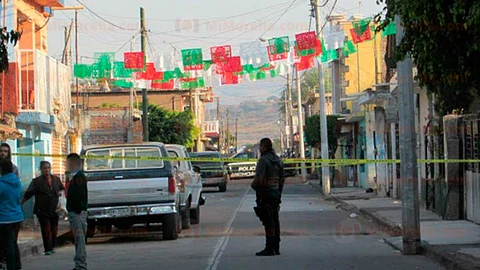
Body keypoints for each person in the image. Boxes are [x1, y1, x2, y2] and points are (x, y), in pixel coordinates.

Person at [21, 161, 65, 255]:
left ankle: (52, 246)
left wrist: (60, 193)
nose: (47, 170)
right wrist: (21, 202)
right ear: (41, 169)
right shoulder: (36, 182)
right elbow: (28, 193)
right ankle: (48, 249)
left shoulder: (56, 179)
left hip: (54, 209)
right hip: (42, 209)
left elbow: (62, 188)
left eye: (48, 168)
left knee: (54, 228)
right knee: (46, 229)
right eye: (44, 168)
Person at [251, 138, 285, 256]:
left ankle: (269, 248)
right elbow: (282, 179)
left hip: (265, 194)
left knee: (268, 222)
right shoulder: (278, 160)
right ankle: (276, 247)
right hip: (275, 193)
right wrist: (279, 193)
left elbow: (258, 180)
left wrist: (254, 186)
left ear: (264, 147)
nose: (260, 149)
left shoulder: (263, 160)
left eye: (260, 146)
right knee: (275, 220)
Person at [0, 143, 21, 270]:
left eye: (5, 151)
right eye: (1, 151)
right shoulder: (15, 181)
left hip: (5, 215)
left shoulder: (12, 171)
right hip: (15, 214)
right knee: (11, 242)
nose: (2, 153)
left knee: (8, 243)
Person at [66, 153, 88, 270]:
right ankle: (79, 264)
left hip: (77, 213)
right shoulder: (75, 176)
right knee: (78, 239)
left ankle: (80, 265)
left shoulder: (79, 177)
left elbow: (79, 196)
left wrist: (77, 211)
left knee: (79, 240)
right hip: (76, 212)